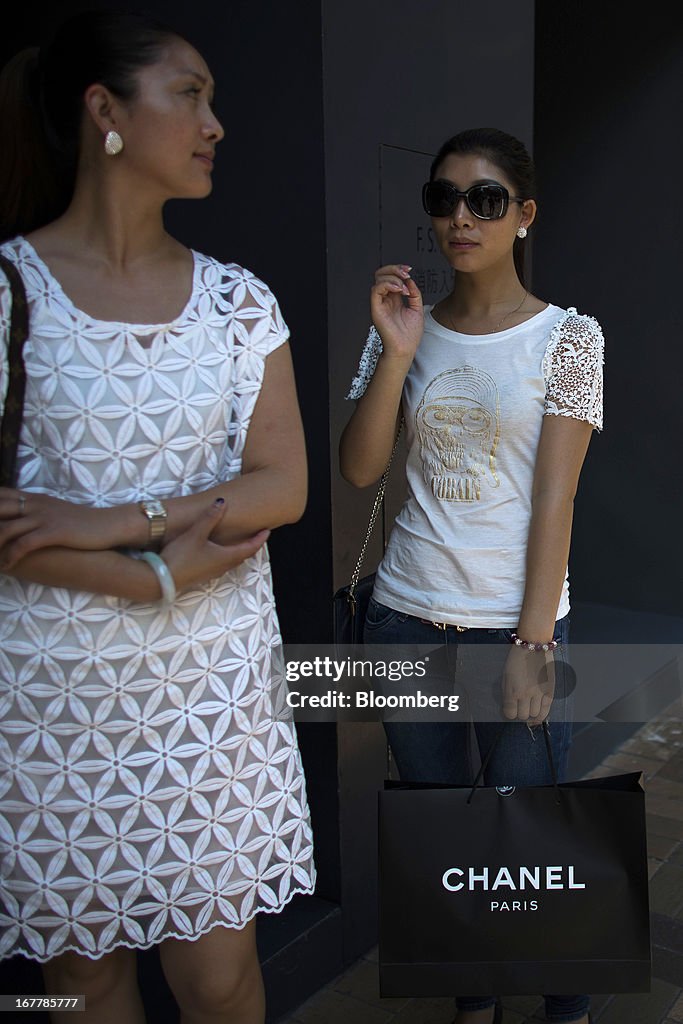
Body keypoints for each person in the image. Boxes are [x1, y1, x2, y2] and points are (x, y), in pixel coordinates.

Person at [0, 11, 315, 1024]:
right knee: (81, 981)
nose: (215, 120)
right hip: (52, 696)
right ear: (106, 113)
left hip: (209, 696)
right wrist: (153, 569)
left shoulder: (238, 304)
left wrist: (117, 530)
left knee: (217, 976)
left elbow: (282, 485)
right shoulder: (9, 294)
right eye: (189, 94)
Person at [340, 127, 603, 1024]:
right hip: (406, 618)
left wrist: (533, 642)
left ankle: (565, 1003)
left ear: (521, 216)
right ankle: (473, 1004)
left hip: (513, 628)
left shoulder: (568, 339)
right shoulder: (405, 323)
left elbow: (555, 502)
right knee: (440, 832)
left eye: (484, 199)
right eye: (444, 198)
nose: (460, 216)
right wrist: (398, 352)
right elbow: (360, 469)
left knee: (530, 837)